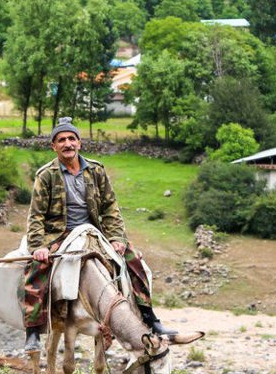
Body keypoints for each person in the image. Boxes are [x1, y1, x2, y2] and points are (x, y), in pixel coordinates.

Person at [20, 117, 174, 353]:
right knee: (36, 269)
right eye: (61, 140)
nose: (67, 144)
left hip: (93, 231)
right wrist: (39, 247)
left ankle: (149, 316)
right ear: (54, 146)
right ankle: (32, 330)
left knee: (133, 259)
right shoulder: (46, 175)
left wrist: (116, 238)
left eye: (71, 139)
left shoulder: (96, 170)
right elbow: (36, 216)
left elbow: (110, 208)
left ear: (79, 143)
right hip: (59, 235)